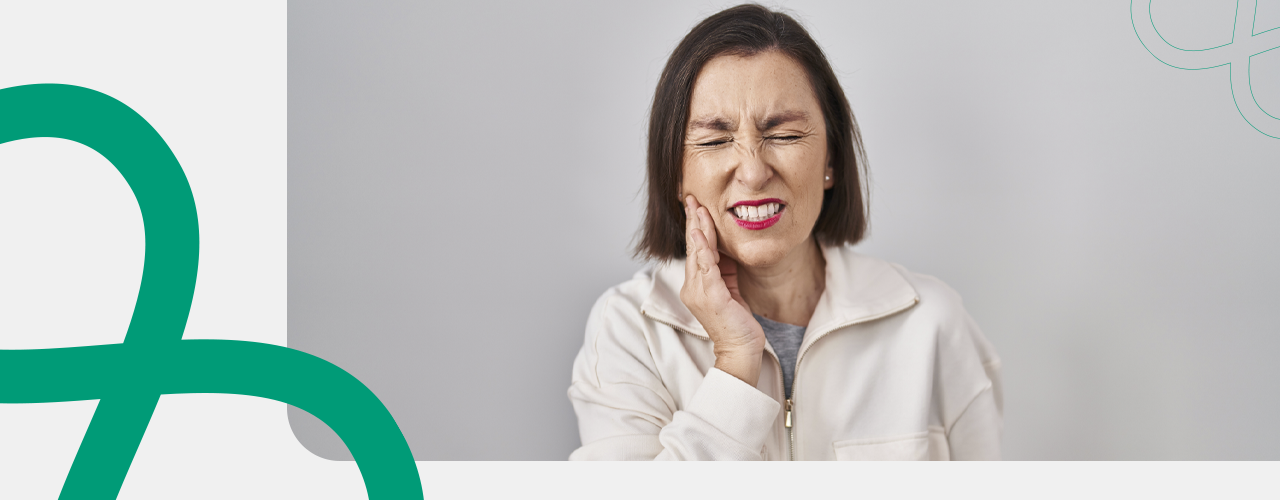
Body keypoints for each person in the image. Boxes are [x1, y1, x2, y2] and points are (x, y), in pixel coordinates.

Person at [567, 4, 1002, 461]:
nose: (753, 172)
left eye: (785, 135)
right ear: (675, 175)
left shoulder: (932, 323)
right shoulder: (629, 332)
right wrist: (735, 363)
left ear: (830, 159)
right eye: (715, 141)